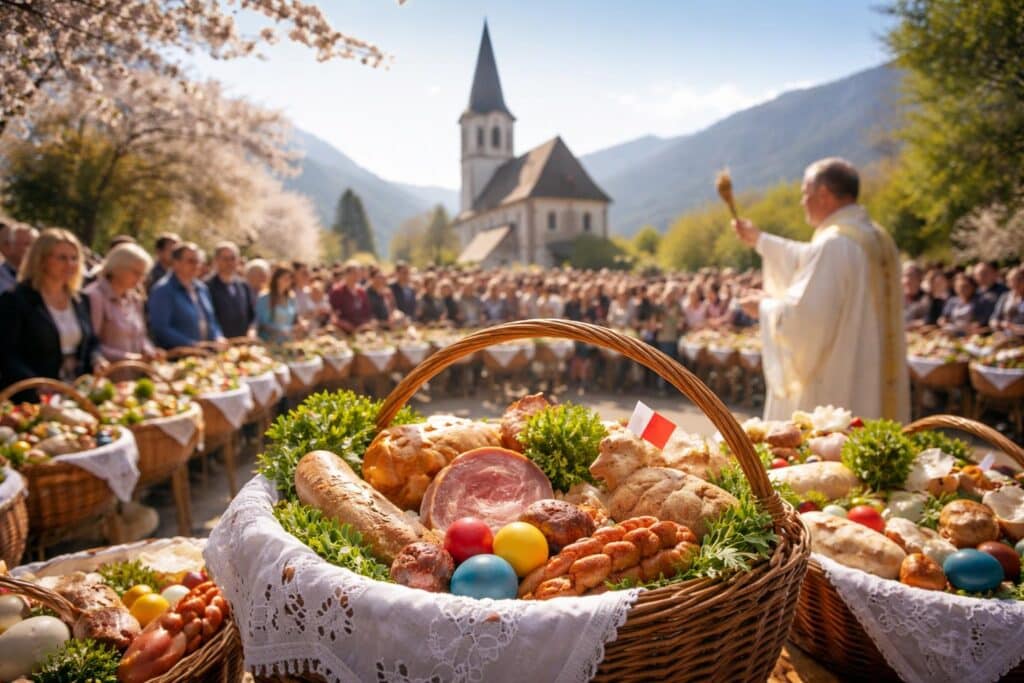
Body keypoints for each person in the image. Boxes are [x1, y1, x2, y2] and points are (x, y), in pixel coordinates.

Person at [732, 157, 909, 421]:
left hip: (840, 384)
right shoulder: (876, 238)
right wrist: (760, 240)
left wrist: (764, 307)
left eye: (806, 193)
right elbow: (808, 259)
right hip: (872, 376)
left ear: (824, 194)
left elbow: (806, 319)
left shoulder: (836, 243)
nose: (802, 202)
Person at [0, 228, 106, 388]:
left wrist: (97, 359)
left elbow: (91, 341)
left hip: (77, 391)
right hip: (33, 395)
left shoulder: (80, 299)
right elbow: (7, 354)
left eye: (74, 258)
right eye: (62, 258)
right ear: (41, 259)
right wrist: (37, 386)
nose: (70, 264)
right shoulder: (16, 299)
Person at [84, 242, 161, 362]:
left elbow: (141, 337)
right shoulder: (95, 296)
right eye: (136, 272)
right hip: (108, 371)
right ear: (117, 268)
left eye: (143, 274)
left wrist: (149, 351)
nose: (140, 279)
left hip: (136, 370)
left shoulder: (135, 299)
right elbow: (91, 344)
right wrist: (130, 358)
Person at [148, 242, 224, 349]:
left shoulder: (202, 288)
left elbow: (211, 320)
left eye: (198, 261)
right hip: (178, 355)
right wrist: (191, 344)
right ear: (176, 263)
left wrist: (218, 337)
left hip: (206, 353)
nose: (196, 265)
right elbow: (161, 329)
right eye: (191, 261)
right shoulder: (163, 290)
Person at [206, 242, 255, 339]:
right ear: (216, 260)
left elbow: (251, 315)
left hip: (242, 343)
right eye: (225, 259)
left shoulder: (244, 285)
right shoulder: (206, 286)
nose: (229, 263)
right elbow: (207, 318)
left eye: (233, 258)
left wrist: (252, 330)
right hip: (218, 343)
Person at [256, 263, 299, 343]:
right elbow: (260, 323)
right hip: (268, 342)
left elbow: (294, 319)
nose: (288, 280)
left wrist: (300, 325)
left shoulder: (291, 297)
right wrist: (280, 330)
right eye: (285, 277)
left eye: (290, 277)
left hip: (288, 342)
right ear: (277, 278)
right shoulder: (265, 297)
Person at [330, 260, 372, 333]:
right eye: (354, 273)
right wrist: (343, 324)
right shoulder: (338, 291)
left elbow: (367, 312)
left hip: (361, 330)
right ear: (347, 274)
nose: (357, 275)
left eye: (359, 273)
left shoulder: (361, 291)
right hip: (343, 331)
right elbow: (333, 315)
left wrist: (366, 324)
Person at [0, 222, 39, 294]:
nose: (32, 250)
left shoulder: (39, 278)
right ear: (10, 246)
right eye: (27, 244)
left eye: (35, 246)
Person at [990, 266, 1024, 338]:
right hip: (1006, 338)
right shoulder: (1005, 297)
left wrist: (1015, 328)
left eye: (1019, 279)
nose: (1016, 283)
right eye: (1012, 280)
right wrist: (996, 324)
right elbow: (994, 317)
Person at [902, 262, 931, 328]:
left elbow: (927, 321)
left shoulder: (927, 299)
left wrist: (908, 325)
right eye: (904, 276)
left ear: (919, 279)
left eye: (911, 276)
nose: (907, 280)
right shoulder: (896, 298)